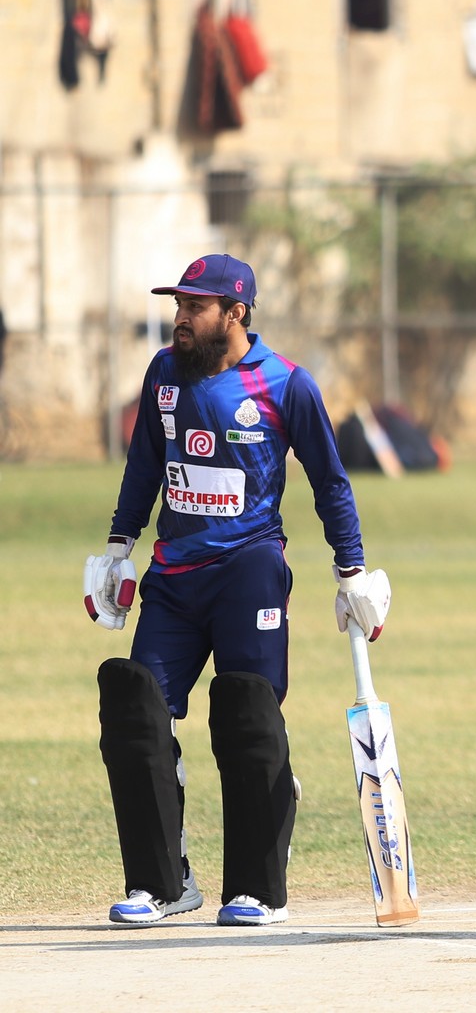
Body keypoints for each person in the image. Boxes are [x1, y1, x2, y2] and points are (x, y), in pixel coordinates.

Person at [83, 254, 392, 927]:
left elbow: (330, 482)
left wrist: (353, 572)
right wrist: (117, 548)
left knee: (247, 711)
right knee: (135, 710)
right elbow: (145, 465)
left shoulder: (286, 384)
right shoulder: (164, 373)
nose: (181, 318)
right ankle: (163, 883)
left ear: (236, 313)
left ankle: (258, 885)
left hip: (249, 568)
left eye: (195, 307)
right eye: (179, 305)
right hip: (174, 574)